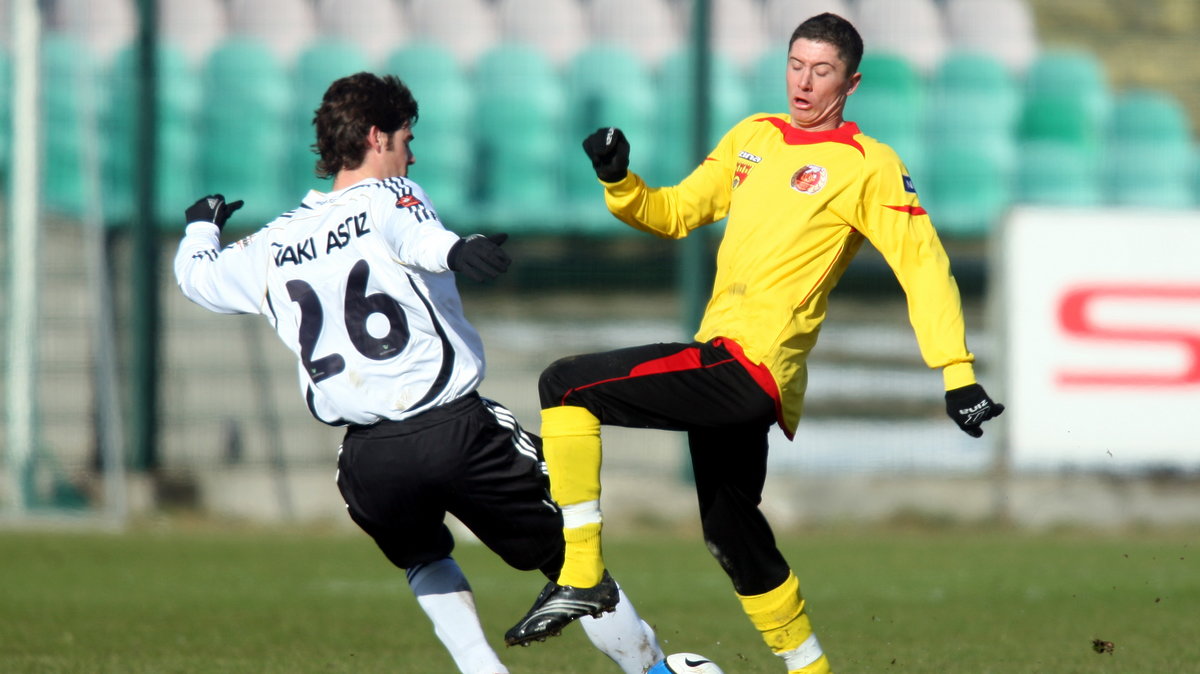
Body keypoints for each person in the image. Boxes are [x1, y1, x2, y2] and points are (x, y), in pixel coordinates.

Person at [504, 13, 1004, 674]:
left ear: (850, 82)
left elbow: (924, 266)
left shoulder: (869, 166)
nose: (803, 81)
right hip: (728, 367)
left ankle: (584, 570)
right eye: (796, 64)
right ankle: (811, 668)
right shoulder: (754, 137)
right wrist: (620, 181)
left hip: (748, 368)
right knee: (732, 533)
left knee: (564, 384)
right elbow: (676, 211)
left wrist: (957, 373)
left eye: (821, 70)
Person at [174, 72, 665, 674]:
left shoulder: (270, 246)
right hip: (456, 431)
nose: (413, 151)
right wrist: (458, 250)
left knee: (422, 555)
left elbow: (197, 279)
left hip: (369, 459)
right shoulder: (390, 195)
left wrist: (202, 224)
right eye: (407, 136)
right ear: (377, 137)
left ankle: (480, 668)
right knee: (574, 559)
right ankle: (655, 671)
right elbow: (418, 237)